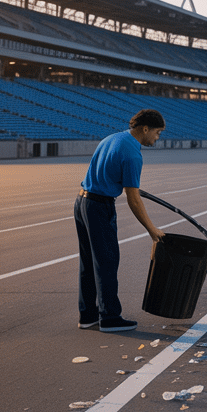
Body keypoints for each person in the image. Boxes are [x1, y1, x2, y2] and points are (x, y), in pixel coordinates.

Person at [74, 109, 167, 332]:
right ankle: (109, 317)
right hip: (99, 206)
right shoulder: (133, 153)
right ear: (145, 129)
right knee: (107, 262)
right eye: (157, 133)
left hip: (82, 202)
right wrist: (152, 230)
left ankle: (87, 316)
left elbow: (106, 172)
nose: (157, 138)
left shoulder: (113, 138)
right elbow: (133, 199)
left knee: (89, 263)